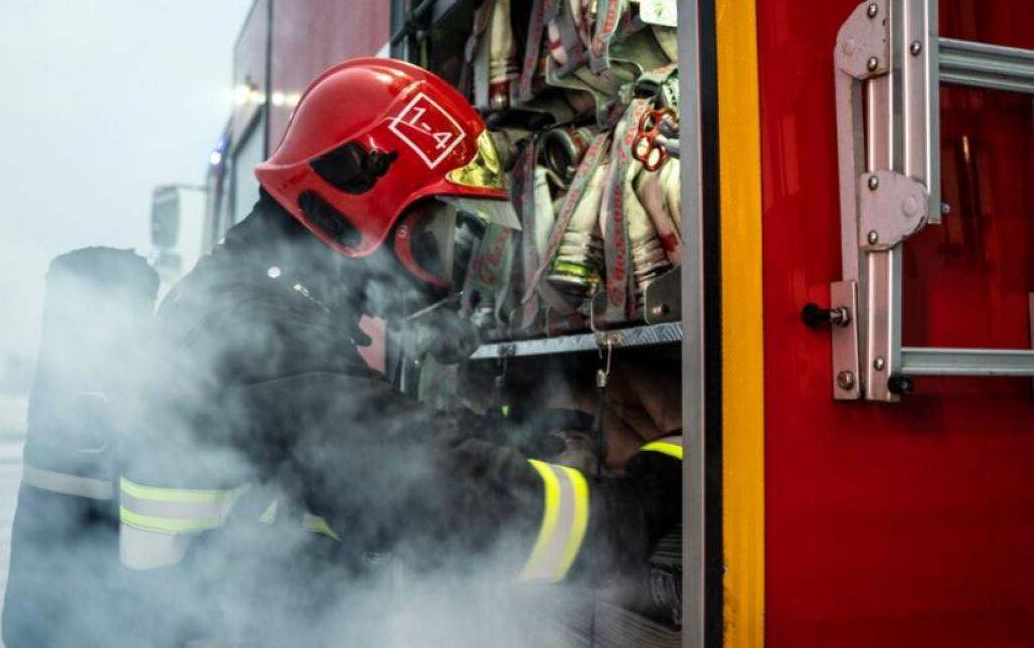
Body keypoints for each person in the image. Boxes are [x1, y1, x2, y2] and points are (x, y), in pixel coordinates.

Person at [118, 57, 681, 647]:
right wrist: (646, 497)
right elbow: (443, 504)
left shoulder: (246, 298)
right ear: (360, 204)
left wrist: (497, 437)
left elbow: (355, 439)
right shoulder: (263, 331)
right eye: (441, 238)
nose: (447, 277)